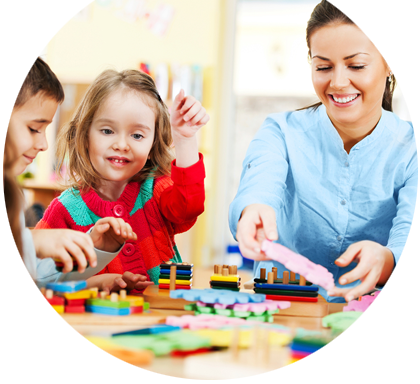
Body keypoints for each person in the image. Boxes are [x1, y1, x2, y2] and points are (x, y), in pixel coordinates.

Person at [228, 0, 417, 303]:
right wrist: (254, 209)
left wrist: (388, 259)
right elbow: (261, 182)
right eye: (323, 67)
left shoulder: (412, 150)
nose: (338, 82)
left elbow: (410, 229)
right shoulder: (280, 132)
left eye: (356, 65)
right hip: (280, 313)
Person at [35, 68, 209, 294]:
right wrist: (97, 282)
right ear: (85, 134)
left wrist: (185, 140)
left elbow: (189, 207)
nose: (121, 144)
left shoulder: (156, 188)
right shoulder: (64, 210)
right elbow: (36, 272)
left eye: (137, 135)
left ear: (153, 144)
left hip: (163, 319)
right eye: (107, 131)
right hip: (95, 323)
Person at [5, 57, 136, 287]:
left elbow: (34, 277)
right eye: (34, 128)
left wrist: (94, 249)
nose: (44, 144)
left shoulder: (10, 192)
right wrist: (31, 240)